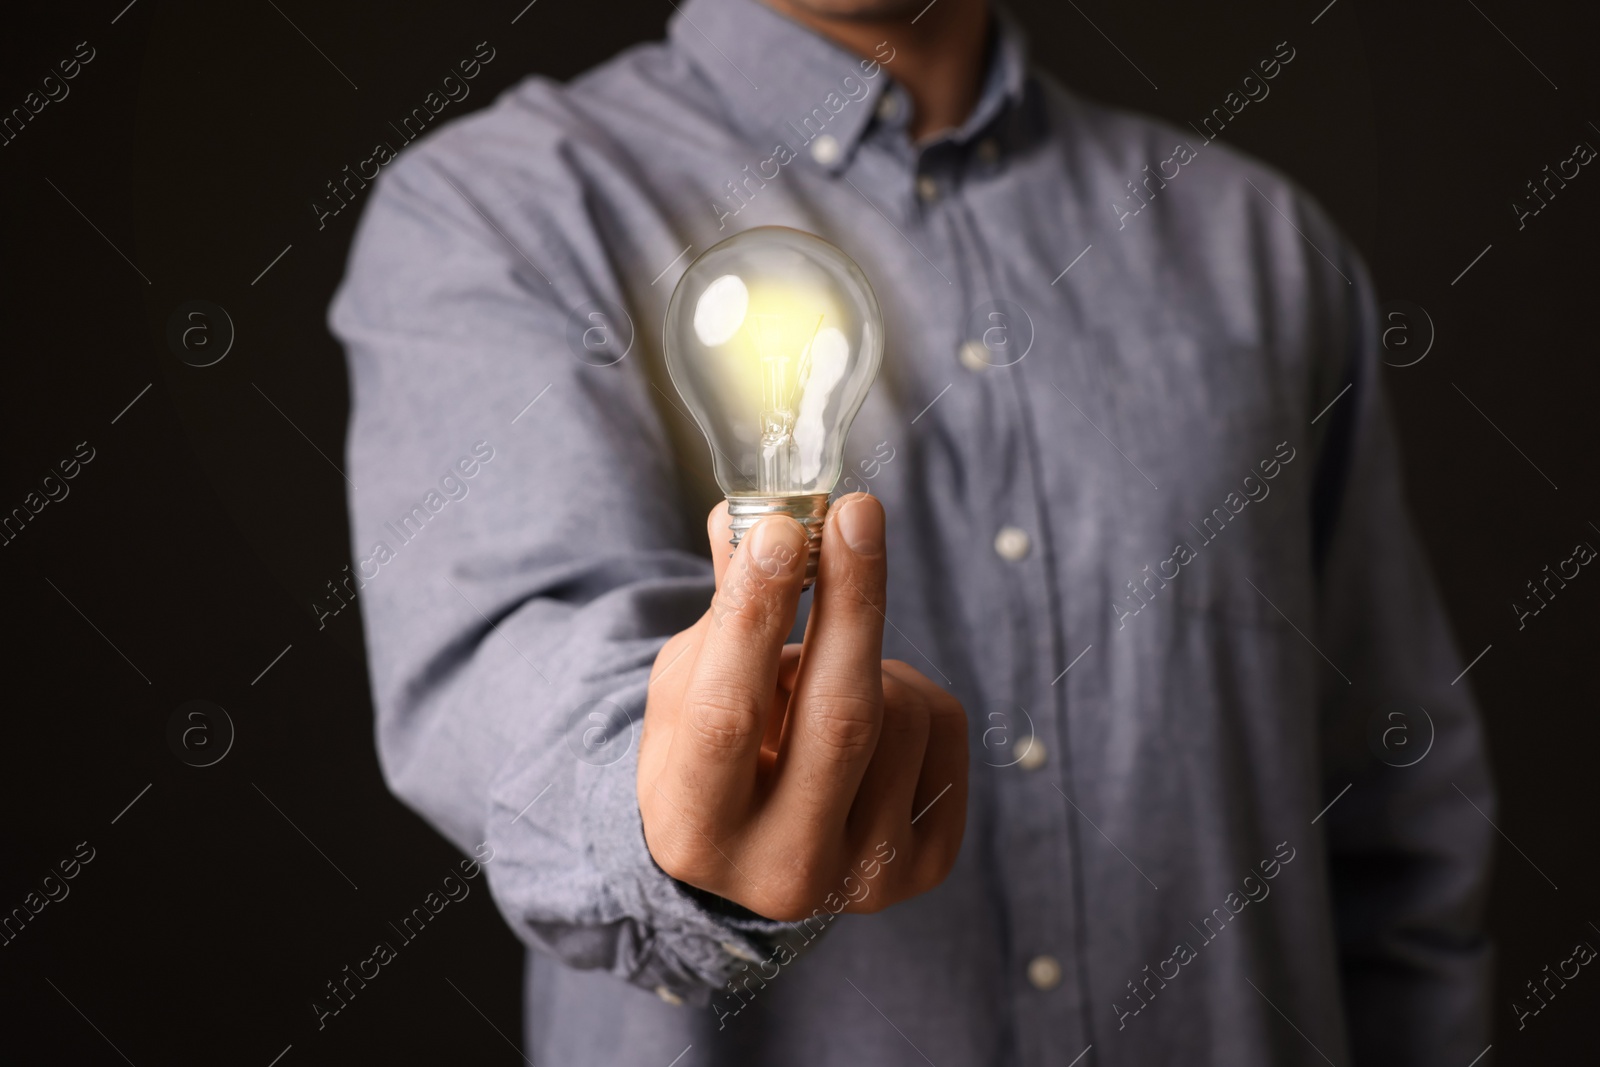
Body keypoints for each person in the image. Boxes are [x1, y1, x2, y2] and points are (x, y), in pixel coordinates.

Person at [329, 0, 1496, 1063]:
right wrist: (664, 808)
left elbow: (1392, 819)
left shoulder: (1263, 251)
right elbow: (527, 676)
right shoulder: (503, 208)